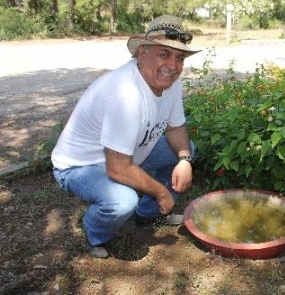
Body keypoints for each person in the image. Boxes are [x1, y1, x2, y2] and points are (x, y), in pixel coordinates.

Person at [51, 15, 200, 258]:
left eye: (179, 58)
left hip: (127, 155)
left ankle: (149, 214)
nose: (172, 65)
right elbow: (118, 169)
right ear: (141, 53)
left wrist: (184, 160)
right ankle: (95, 234)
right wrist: (161, 192)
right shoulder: (124, 94)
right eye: (164, 54)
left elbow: (175, 128)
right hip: (79, 166)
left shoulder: (171, 81)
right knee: (122, 201)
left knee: (187, 149)